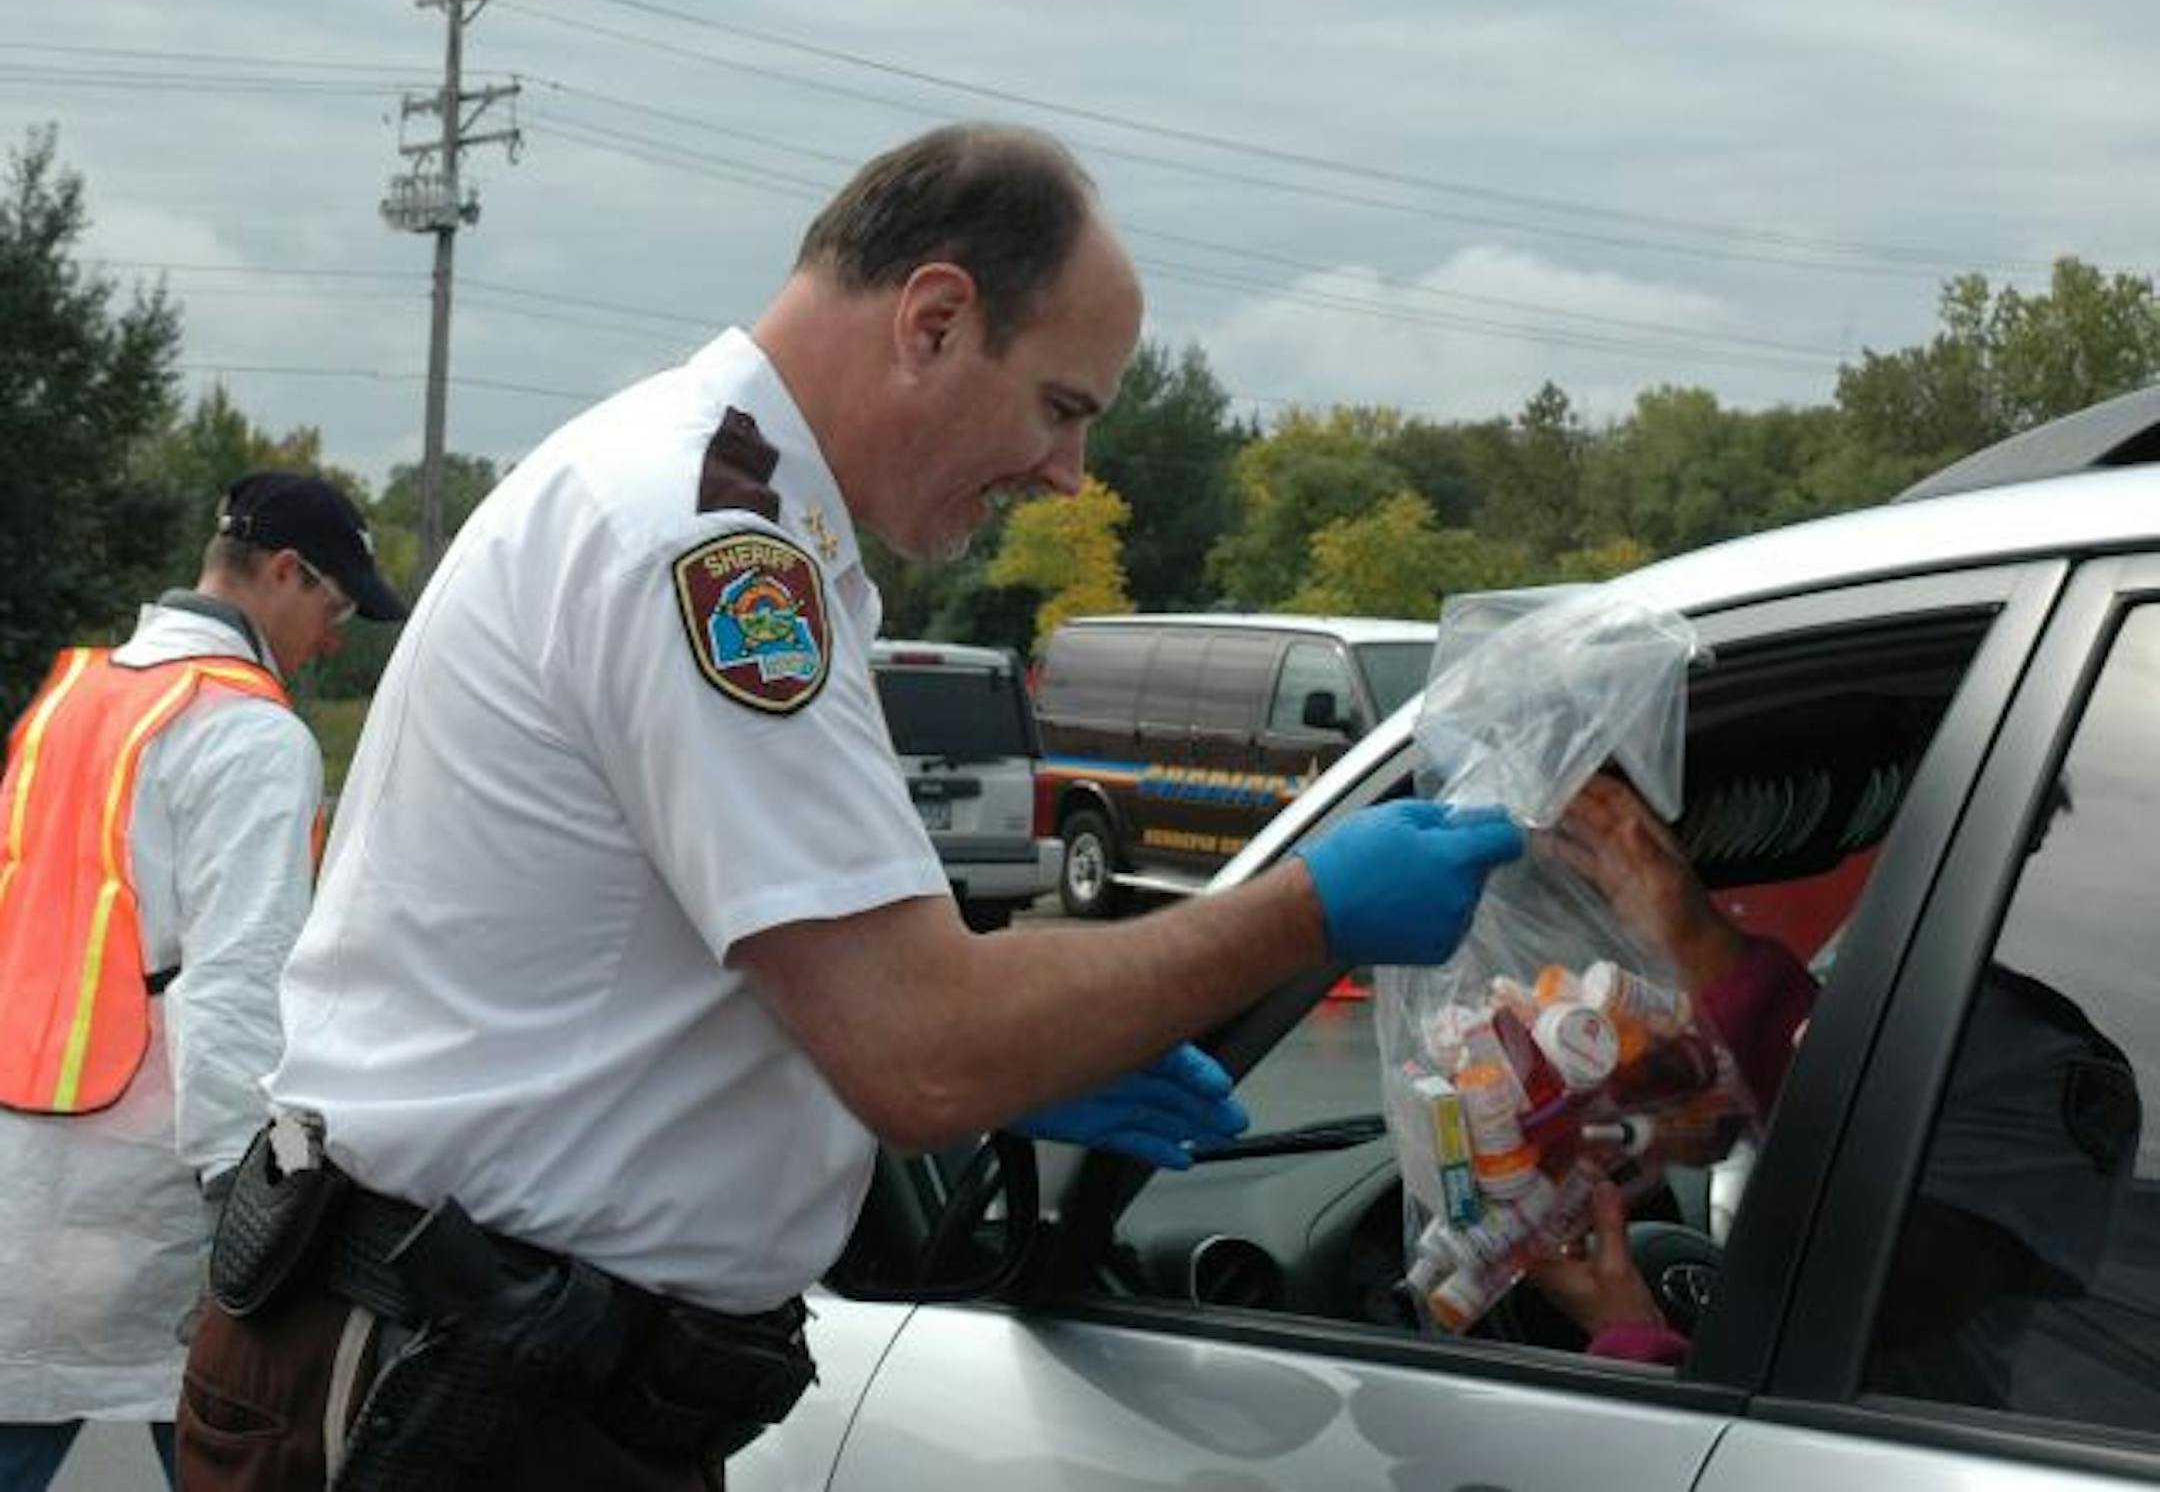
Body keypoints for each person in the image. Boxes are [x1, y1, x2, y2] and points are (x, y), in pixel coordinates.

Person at [177, 123, 1526, 1492]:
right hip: (453, 1384)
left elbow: (729, 1004)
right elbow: (915, 1042)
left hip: (496, 1361)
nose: (1068, 474)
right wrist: (1308, 912)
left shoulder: (713, 506)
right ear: (934, 320)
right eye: (1063, 408)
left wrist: (1039, 1046)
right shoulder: (710, 543)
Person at [0, 473, 404, 1490]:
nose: (331, 638)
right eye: (333, 606)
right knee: (232, 1452)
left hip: (25, 1166)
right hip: (151, 1186)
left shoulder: (72, 699)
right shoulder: (250, 733)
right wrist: (249, 1198)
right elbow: (236, 980)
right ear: (282, 571)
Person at [1526, 775, 2139, 1397]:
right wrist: (1685, 1107)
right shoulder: (1900, 987)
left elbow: (1864, 1280)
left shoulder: (2045, 1062)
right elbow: (1767, 1102)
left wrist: (1631, 1335)